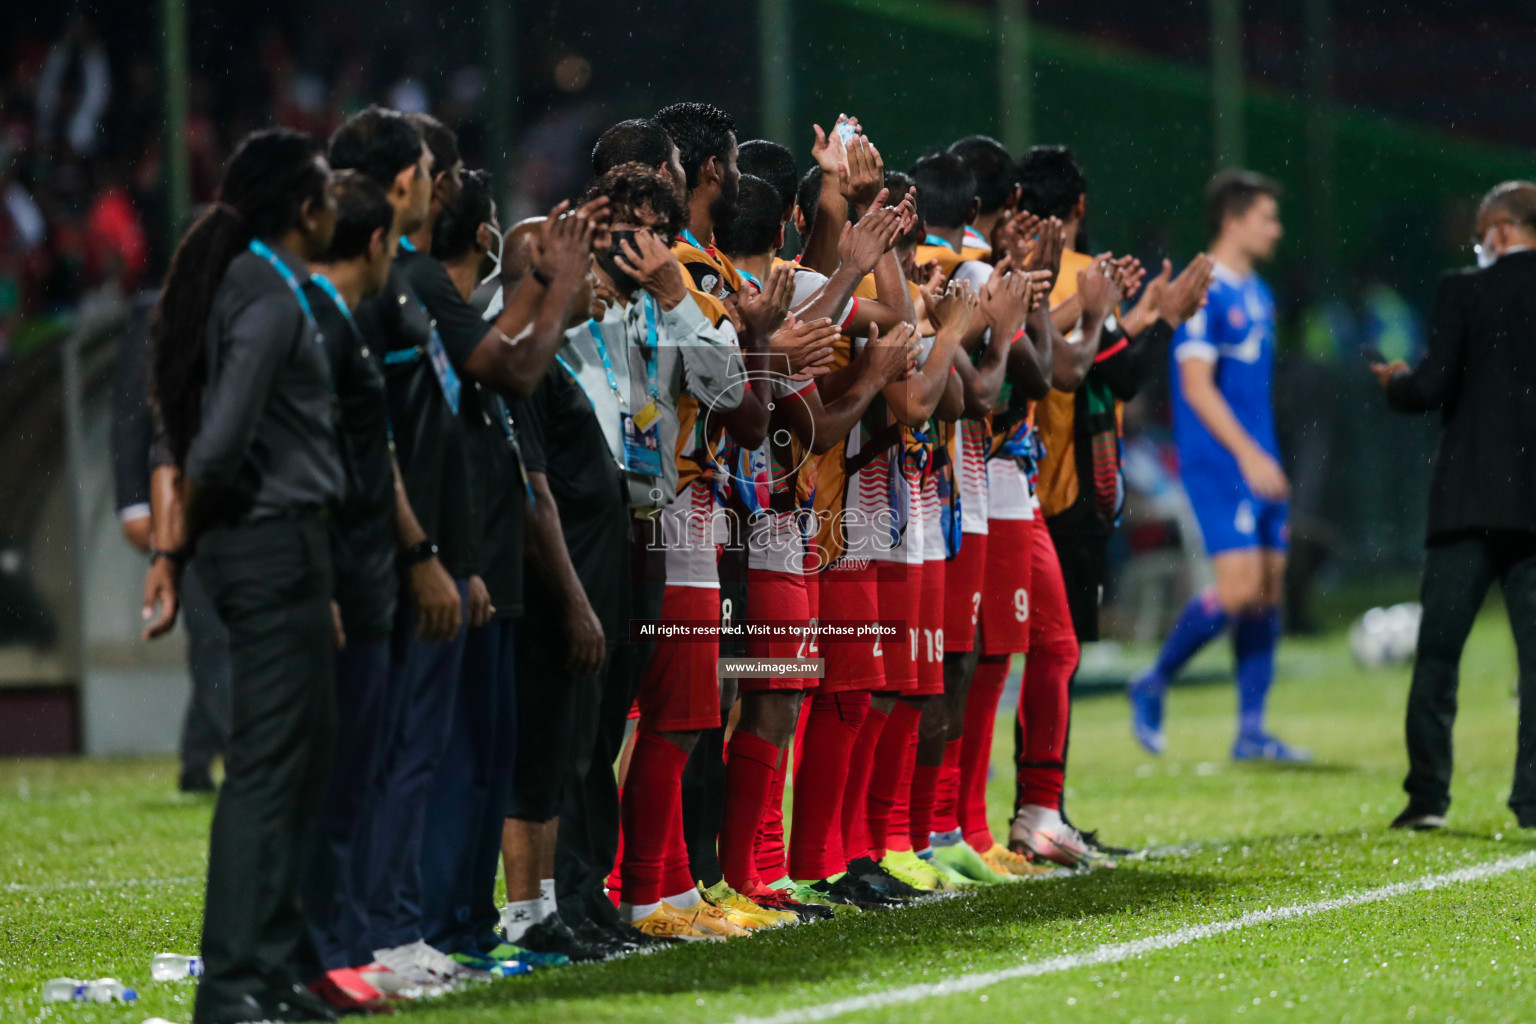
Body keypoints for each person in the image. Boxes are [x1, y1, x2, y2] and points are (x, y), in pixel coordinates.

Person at [141, 127, 342, 1024]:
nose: (337, 202)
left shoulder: (260, 280)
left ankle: (266, 973)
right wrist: (196, 543)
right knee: (267, 769)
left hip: (269, 544)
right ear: (303, 209)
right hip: (269, 545)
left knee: (291, 766)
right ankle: (233, 985)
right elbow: (216, 443)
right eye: (327, 190)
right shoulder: (265, 291)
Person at [1371, 180, 1536, 832]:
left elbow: (1433, 386)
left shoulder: (1462, 289)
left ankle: (1428, 798)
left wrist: (1396, 383)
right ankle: (1531, 800)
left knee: (1439, 654)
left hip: (1467, 501)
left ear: (1497, 231)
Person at [1128, 170, 1308, 763]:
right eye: (1267, 217)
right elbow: (1197, 388)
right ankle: (1152, 681)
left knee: (1268, 593)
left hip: (1259, 456)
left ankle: (1251, 731)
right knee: (1237, 590)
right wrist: (1249, 453)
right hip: (1221, 461)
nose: (1276, 229)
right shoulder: (1203, 288)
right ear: (1233, 221)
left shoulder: (1258, 291)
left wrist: (1266, 451)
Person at [298, 170, 401, 1012]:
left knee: (354, 776)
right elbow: (322, 465)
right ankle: (321, 952)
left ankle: (340, 943)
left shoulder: (335, 321)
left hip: (362, 572)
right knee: (333, 782)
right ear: (374, 242)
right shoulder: (325, 326)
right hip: (344, 577)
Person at [111, 294, 231, 794]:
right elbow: (135, 417)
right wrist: (135, 505)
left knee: (218, 637)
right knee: (213, 637)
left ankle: (197, 758)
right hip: (186, 501)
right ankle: (240, 756)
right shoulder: (160, 312)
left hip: (220, 501)